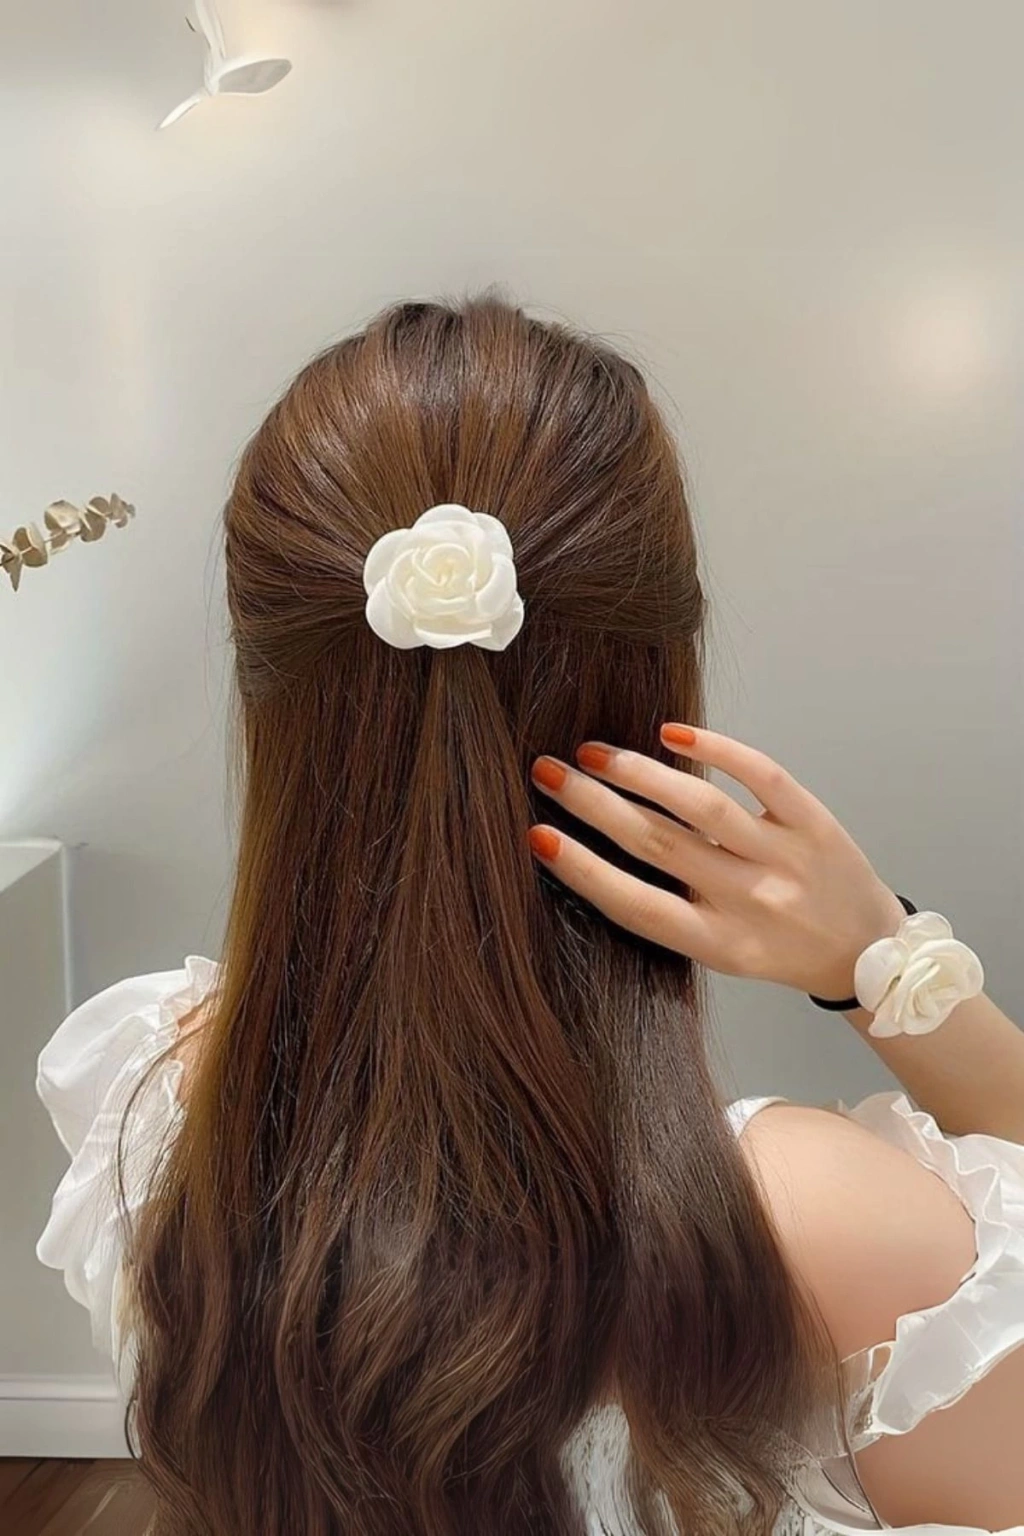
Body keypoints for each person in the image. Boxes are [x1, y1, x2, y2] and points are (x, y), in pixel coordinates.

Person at [33, 296, 1024, 1536]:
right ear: (662, 666)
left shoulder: (155, 1104)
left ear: (267, 687)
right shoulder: (831, 1239)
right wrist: (884, 963)